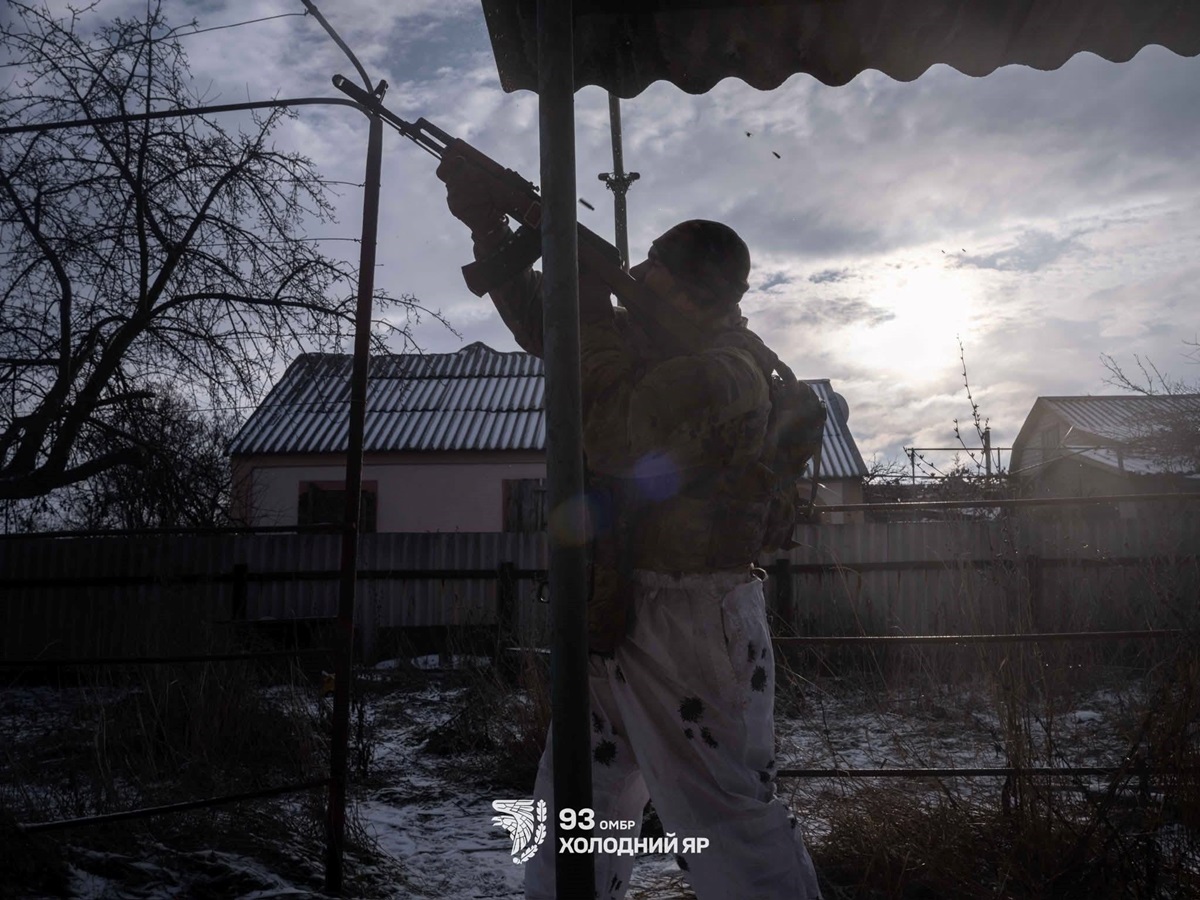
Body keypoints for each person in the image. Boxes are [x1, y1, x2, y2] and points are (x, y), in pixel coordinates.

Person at [439, 158, 823, 900]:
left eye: (655, 269)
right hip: (617, 602)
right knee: (575, 801)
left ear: (688, 291)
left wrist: (585, 288)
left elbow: (611, 429)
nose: (638, 276)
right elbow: (551, 331)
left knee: (724, 821)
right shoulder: (655, 345)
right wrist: (492, 225)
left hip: (691, 621)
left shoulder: (727, 374)